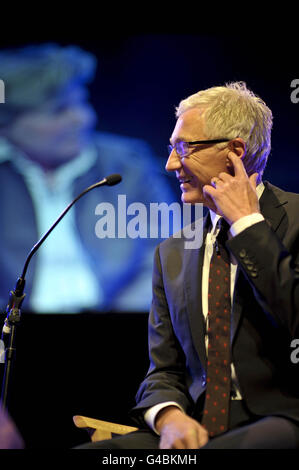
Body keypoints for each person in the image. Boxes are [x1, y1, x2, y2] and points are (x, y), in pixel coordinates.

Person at [78, 81, 299, 449]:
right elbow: (163, 371)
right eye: (170, 149)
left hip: (282, 421)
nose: (170, 164)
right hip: (196, 432)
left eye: (184, 149)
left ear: (235, 153)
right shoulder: (173, 253)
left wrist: (246, 224)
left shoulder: (296, 220)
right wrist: (169, 417)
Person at [0, 44, 175, 313]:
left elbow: (171, 257)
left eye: (81, 102)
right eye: (59, 110)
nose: (83, 118)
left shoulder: (128, 166)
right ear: (8, 122)